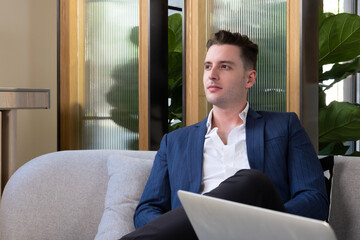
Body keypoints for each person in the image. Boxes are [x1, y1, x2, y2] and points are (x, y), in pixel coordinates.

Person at [121, 30, 329, 240]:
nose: (212, 74)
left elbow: (314, 198)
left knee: (252, 181)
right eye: (208, 66)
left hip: (261, 234)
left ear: (249, 78)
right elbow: (147, 209)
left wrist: (264, 224)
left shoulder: (284, 127)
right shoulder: (175, 142)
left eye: (224, 66)